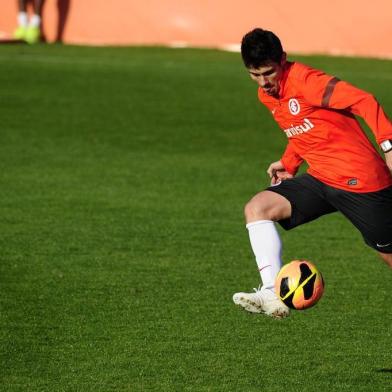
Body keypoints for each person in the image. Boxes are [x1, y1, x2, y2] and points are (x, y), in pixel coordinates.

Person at [232, 28, 392, 319]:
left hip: (361, 181)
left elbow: (365, 101)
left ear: (282, 59)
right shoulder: (267, 95)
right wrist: (289, 162)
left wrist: (388, 144)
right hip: (321, 178)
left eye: (268, 72)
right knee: (257, 208)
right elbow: (305, 127)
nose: (263, 82)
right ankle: (270, 292)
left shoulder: (308, 82)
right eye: (255, 75)